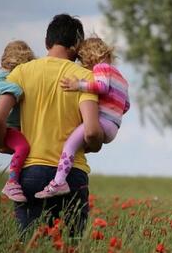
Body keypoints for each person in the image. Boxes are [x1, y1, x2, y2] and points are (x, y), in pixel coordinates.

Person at [0, 13, 104, 236]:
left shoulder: (21, 72)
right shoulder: (84, 77)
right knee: (69, 247)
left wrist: (1, 143)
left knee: (32, 244)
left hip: (30, 173)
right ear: (77, 46)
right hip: (72, 175)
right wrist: (96, 143)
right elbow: (91, 131)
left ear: (46, 43)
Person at [35, 37, 130, 199]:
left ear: (88, 57)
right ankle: (65, 173)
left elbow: (101, 86)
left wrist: (78, 85)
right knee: (78, 144)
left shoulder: (101, 67)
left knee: (69, 145)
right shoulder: (121, 77)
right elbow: (126, 105)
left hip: (102, 122)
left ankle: (58, 182)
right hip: (113, 126)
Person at [0, 40, 34, 202]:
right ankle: (11, 182)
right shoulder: (3, 78)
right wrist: (17, 90)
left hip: (15, 127)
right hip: (7, 128)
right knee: (23, 146)